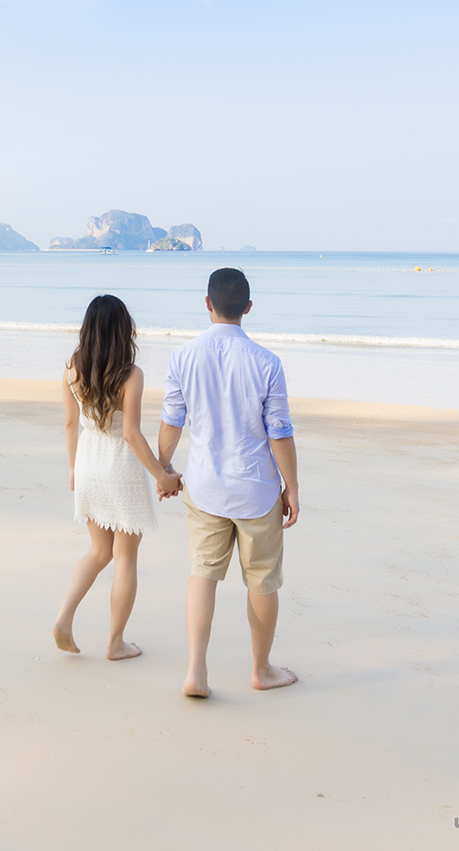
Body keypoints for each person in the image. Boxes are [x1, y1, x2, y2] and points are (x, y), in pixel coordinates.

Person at [157, 267, 300, 698]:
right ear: (248, 308)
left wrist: (164, 470)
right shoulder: (267, 363)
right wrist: (291, 488)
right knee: (262, 581)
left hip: (204, 487)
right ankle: (261, 669)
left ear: (207, 304)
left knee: (203, 574)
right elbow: (279, 432)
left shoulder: (183, 356)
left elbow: (171, 421)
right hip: (255, 490)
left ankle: (196, 671)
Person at [53, 294, 184, 660]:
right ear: (124, 330)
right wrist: (162, 475)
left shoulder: (71, 369)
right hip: (121, 470)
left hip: (89, 464)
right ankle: (114, 643)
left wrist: (73, 468)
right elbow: (130, 433)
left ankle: (63, 619)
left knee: (98, 551)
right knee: (125, 558)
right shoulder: (131, 375)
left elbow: (68, 422)